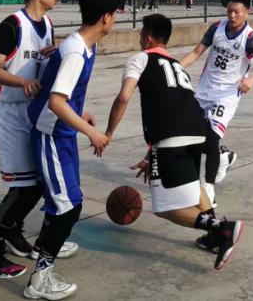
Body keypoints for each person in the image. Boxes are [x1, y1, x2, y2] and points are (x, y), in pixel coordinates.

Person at [103, 14, 245, 271]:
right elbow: (174, 105)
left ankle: (222, 228)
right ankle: (214, 237)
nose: (139, 39)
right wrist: (151, 156)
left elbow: (124, 97)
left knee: (164, 208)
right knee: (195, 190)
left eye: (140, 34)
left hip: (172, 136)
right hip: (199, 131)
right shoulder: (176, 65)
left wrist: (109, 132)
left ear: (148, 38)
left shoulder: (140, 59)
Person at [23, 0, 121, 299]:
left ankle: (47, 246)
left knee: (66, 201)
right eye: (115, 14)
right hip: (52, 135)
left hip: (62, 133)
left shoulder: (81, 45)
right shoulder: (76, 53)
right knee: (68, 207)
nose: (115, 19)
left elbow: (64, 93)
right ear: (106, 18)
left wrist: (81, 113)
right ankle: (40, 280)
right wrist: (92, 133)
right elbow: (56, 101)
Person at [0, 0, 67, 281]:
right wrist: (21, 82)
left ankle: (13, 232)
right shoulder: (12, 25)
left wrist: (55, 53)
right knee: (23, 185)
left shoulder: (47, 24)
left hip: (32, 110)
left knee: (39, 180)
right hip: (8, 111)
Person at [181, 0, 253, 205]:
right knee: (194, 138)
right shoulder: (216, 28)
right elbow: (196, 52)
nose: (232, 15)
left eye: (237, 12)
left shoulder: (250, 38)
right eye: (229, 11)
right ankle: (221, 159)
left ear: (247, 12)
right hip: (205, 90)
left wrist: (252, 80)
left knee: (212, 137)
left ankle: (208, 188)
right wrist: (174, 67)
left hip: (228, 94)